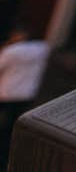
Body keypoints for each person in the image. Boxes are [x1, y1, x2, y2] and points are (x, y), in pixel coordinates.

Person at [0, 23, 51, 151]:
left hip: (7, 92)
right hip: (27, 93)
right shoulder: (42, 48)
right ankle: (9, 148)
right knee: (13, 123)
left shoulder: (11, 51)